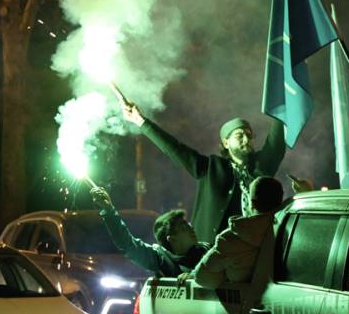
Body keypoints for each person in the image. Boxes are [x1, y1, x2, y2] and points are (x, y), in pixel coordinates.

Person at [121, 101, 294, 242]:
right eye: (239, 135)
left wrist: (283, 94)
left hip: (253, 250)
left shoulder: (261, 166)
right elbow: (175, 149)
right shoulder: (211, 168)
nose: (246, 139)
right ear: (226, 143)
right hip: (212, 252)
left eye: (249, 135)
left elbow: (276, 141)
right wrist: (141, 122)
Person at [185, 176, 284, 289]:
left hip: (246, 303)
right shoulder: (291, 228)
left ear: (252, 203)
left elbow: (203, 278)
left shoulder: (229, 239)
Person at [90, 186, 208, 278]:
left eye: (189, 225)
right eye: (183, 228)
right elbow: (127, 245)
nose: (191, 229)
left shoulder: (207, 251)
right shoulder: (160, 259)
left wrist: (194, 276)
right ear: (171, 238)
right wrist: (108, 210)